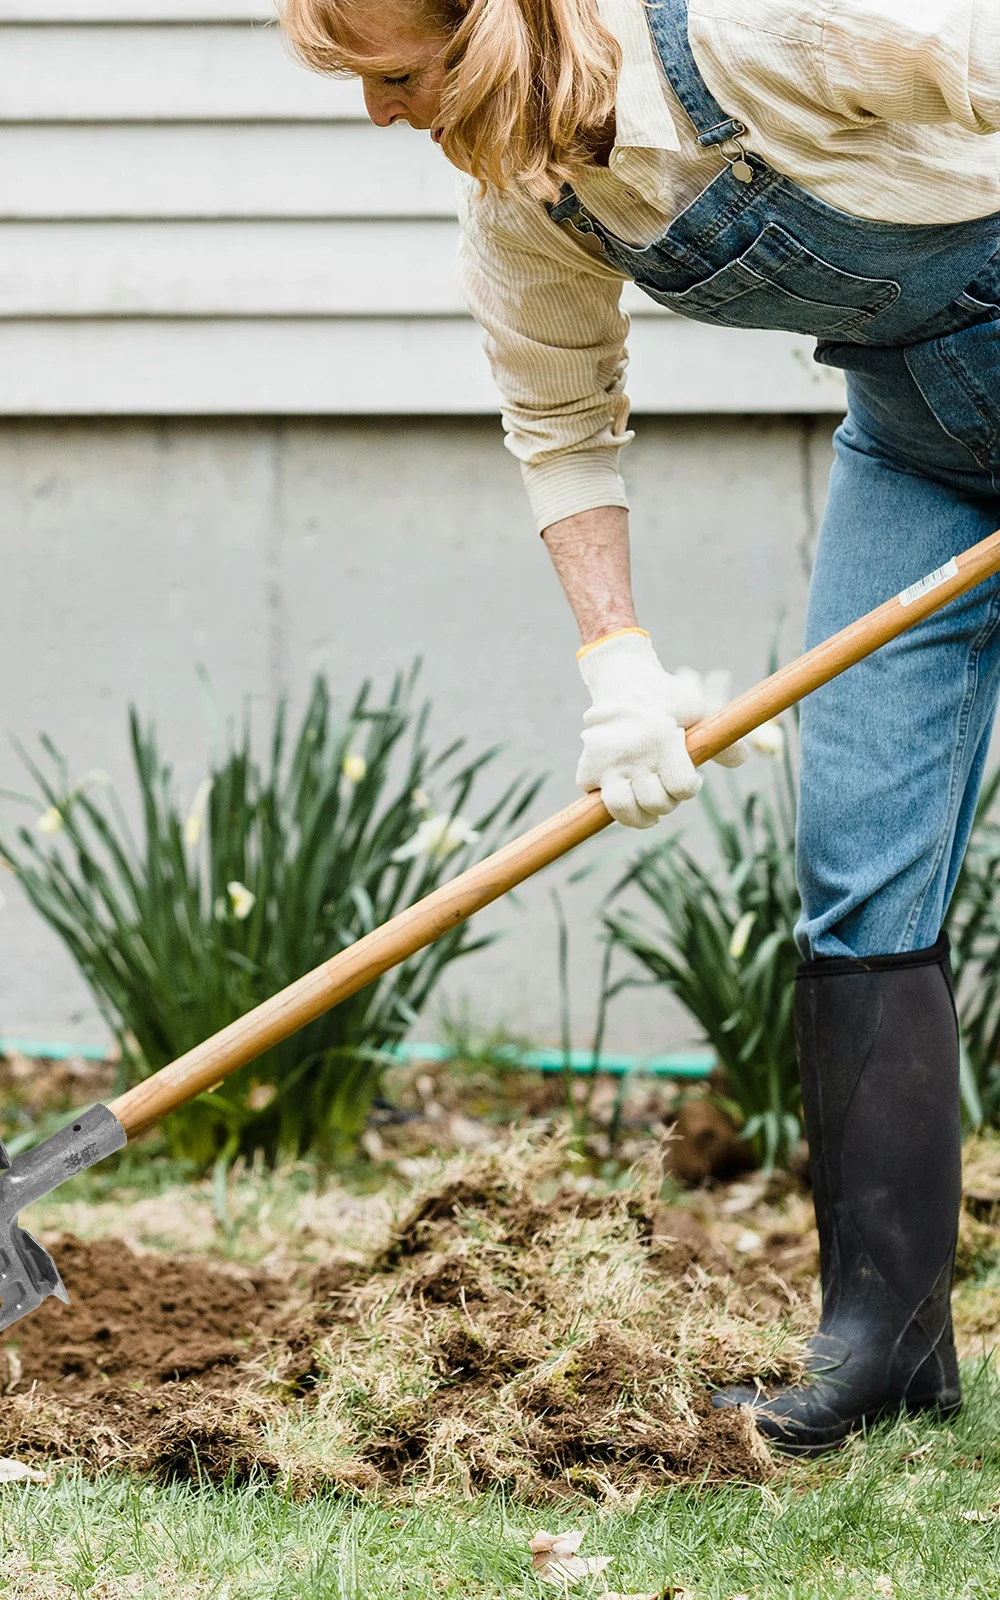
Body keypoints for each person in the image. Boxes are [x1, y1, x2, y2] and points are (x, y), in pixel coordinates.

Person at [278, 0, 1000, 1454]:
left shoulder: (766, 31)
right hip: (921, 449)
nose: (379, 114)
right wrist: (618, 665)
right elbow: (560, 424)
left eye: (395, 75)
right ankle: (888, 1344)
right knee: (861, 865)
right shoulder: (529, 201)